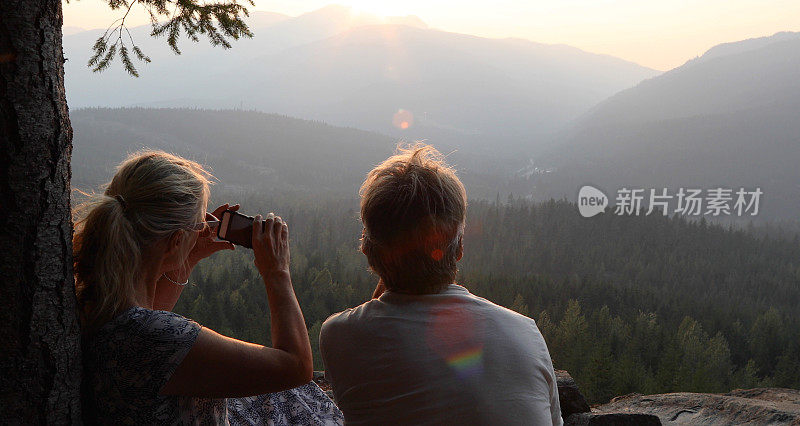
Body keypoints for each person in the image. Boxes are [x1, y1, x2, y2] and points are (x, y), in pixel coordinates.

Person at [74, 150, 343, 425]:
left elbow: (149, 321)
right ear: (175, 241)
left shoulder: (101, 305)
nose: (205, 228)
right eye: (198, 224)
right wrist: (278, 272)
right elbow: (296, 368)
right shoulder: (157, 338)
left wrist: (186, 259)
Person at [319, 144, 562, 425]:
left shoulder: (339, 335)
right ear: (459, 249)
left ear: (367, 250)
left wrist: (391, 266)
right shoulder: (526, 332)